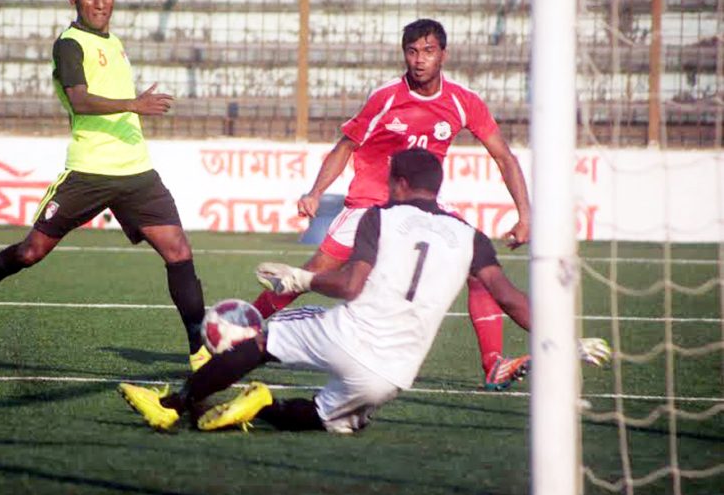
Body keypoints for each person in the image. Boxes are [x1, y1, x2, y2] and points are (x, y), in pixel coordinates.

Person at [118, 149, 610, 433]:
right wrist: (562, 340)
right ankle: (261, 406)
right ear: (436, 188)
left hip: (346, 333)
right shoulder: (470, 236)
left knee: (261, 342)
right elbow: (511, 300)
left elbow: (352, 283)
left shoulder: (382, 215)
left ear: (397, 183)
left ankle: (174, 406)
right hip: (394, 375)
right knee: (326, 415)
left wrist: (304, 278)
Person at [0, 0, 210, 371]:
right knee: (31, 252)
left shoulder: (114, 42)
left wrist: (132, 109)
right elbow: (80, 100)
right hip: (88, 171)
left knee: (178, 252)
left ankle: (199, 350)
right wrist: (134, 104)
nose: (101, 3)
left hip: (136, 171)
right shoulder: (69, 44)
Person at [252, 18, 533, 390]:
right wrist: (316, 192)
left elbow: (504, 157)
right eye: (412, 51)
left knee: (477, 268)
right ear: (404, 54)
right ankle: (241, 327)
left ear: (443, 55)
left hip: (423, 207)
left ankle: (493, 362)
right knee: (310, 275)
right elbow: (345, 147)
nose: (419, 60)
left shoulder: (464, 103)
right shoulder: (385, 98)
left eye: (428, 51)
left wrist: (525, 214)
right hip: (370, 202)